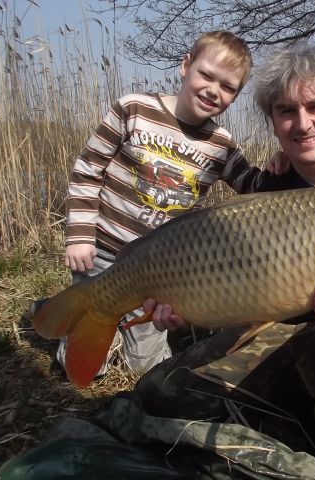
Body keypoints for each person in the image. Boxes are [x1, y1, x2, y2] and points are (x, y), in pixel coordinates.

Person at [136, 45, 315, 462]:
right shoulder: (269, 187)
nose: (302, 123)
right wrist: (185, 303)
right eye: (286, 111)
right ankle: (288, 404)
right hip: (279, 330)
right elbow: (239, 288)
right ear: (272, 122)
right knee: (159, 394)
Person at [41, 31, 276, 378]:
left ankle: (125, 334)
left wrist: (281, 166)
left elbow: (254, 186)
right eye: (206, 75)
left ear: (235, 97)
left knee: (148, 368)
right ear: (185, 66)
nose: (213, 90)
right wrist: (79, 235)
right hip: (102, 252)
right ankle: (72, 327)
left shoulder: (221, 145)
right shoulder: (133, 108)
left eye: (228, 87)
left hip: (161, 269)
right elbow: (87, 171)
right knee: (94, 366)